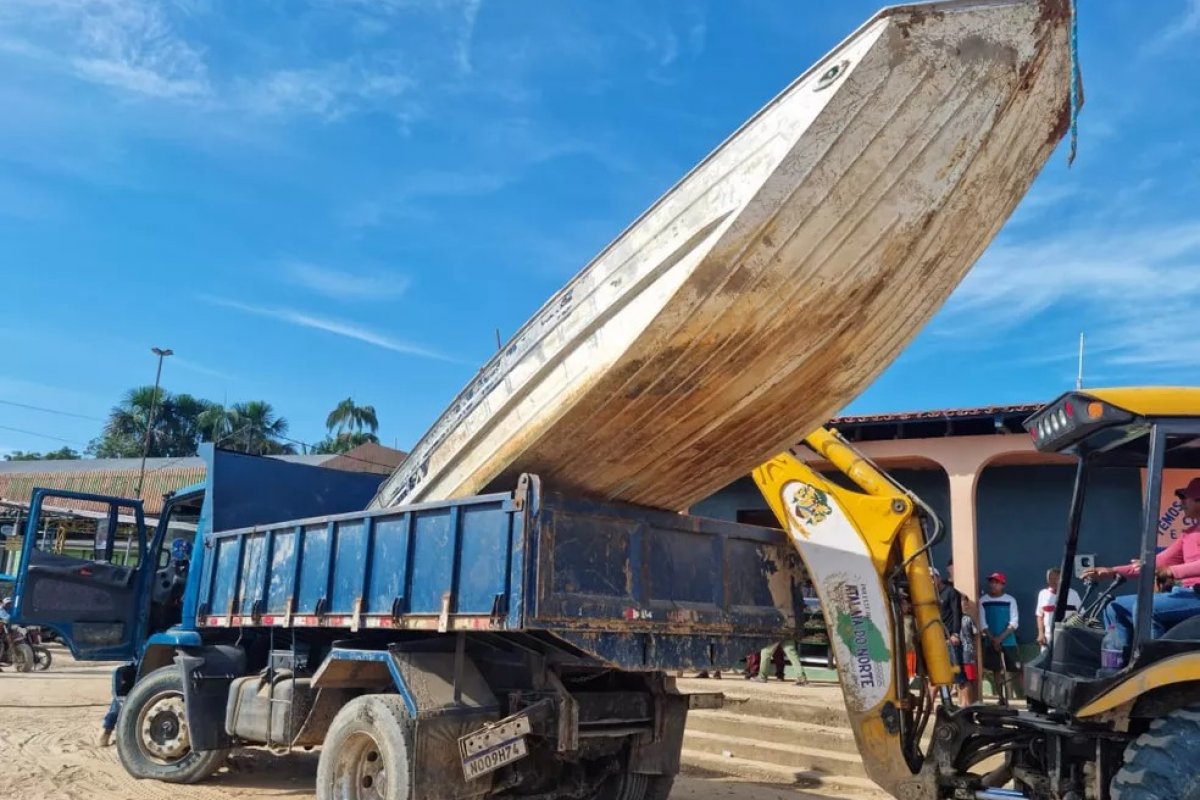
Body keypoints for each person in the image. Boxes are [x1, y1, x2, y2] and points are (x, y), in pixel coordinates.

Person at [1083, 477, 1200, 640]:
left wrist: (1169, 571)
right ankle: (1118, 662)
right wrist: (1111, 571)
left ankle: (1153, 661)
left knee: (1145, 608)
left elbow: (1166, 569)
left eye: (1185, 497)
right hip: (1187, 594)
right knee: (1114, 607)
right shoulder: (1189, 534)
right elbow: (1155, 564)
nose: (1181, 502)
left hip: (1196, 596)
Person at [979, 572, 1021, 686]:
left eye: (996, 583)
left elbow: (1014, 622)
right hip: (990, 642)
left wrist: (1000, 638)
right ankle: (1001, 698)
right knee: (996, 670)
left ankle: (1028, 698)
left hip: (1009, 641)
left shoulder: (1010, 600)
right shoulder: (983, 600)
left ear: (1003, 585)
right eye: (991, 582)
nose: (993, 585)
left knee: (1017, 669)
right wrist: (993, 639)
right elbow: (982, 623)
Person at [1035, 567, 1082, 652]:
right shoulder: (1043, 594)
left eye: (1056, 578)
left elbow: (1081, 615)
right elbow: (1040, 616)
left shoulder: (1073, 594)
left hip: (1068, 638)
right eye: (1051, 579)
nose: (1053, 581)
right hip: (1048, 639)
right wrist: (1041, 634)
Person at [959, 596, 981, 706]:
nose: (965, 605)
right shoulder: (961, 618)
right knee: (964, 678)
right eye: (963, 603)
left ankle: (966, 702)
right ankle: (965, 702)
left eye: (966, 603)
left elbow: (976, 633)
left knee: (967, 678)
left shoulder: (967, 619)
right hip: (961, 651)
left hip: (966, 651)